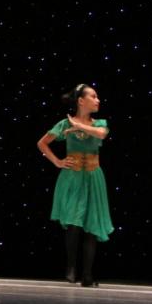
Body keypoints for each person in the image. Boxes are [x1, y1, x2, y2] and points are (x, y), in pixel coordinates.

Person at [37, 83, 112, 287]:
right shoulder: (64, 124)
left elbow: (101, 134)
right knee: (73, 222)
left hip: (93, 177)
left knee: (91, 225)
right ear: (81, 101)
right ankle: (71, 267)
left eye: (97, 96)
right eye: (93, 96)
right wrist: (57, 161)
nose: (97, 100)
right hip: (73, 176)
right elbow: (42, 143)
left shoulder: (99, 123)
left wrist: (78, 127)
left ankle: (87, 275)